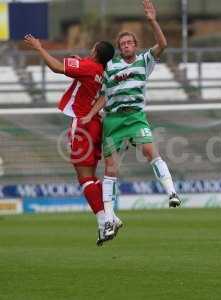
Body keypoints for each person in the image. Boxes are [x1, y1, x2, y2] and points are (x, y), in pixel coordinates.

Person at [82, 0, 181, 239]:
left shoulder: (144, 61)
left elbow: (163, 44)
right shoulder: (111, 67)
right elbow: (104, 95)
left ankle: (172, 193)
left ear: (135, 45)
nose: (126, 46)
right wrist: (90, 114)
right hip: (114, 121)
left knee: (150, 152)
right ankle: (108, 219)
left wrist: (152, 20)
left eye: (129, 42)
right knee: (111, 169)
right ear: (119, 48)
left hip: (136, 118)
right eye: (122, 43)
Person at [24, 34, 117, 245]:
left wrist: (39, 48)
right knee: (91, 177)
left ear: (95, 52)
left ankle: (105, 221)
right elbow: (88, 74)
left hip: (83, 122)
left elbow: (57, 67)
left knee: (84, 177)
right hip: (95, 124)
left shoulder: (88, 67)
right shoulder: (102, 72)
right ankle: (111, 217)